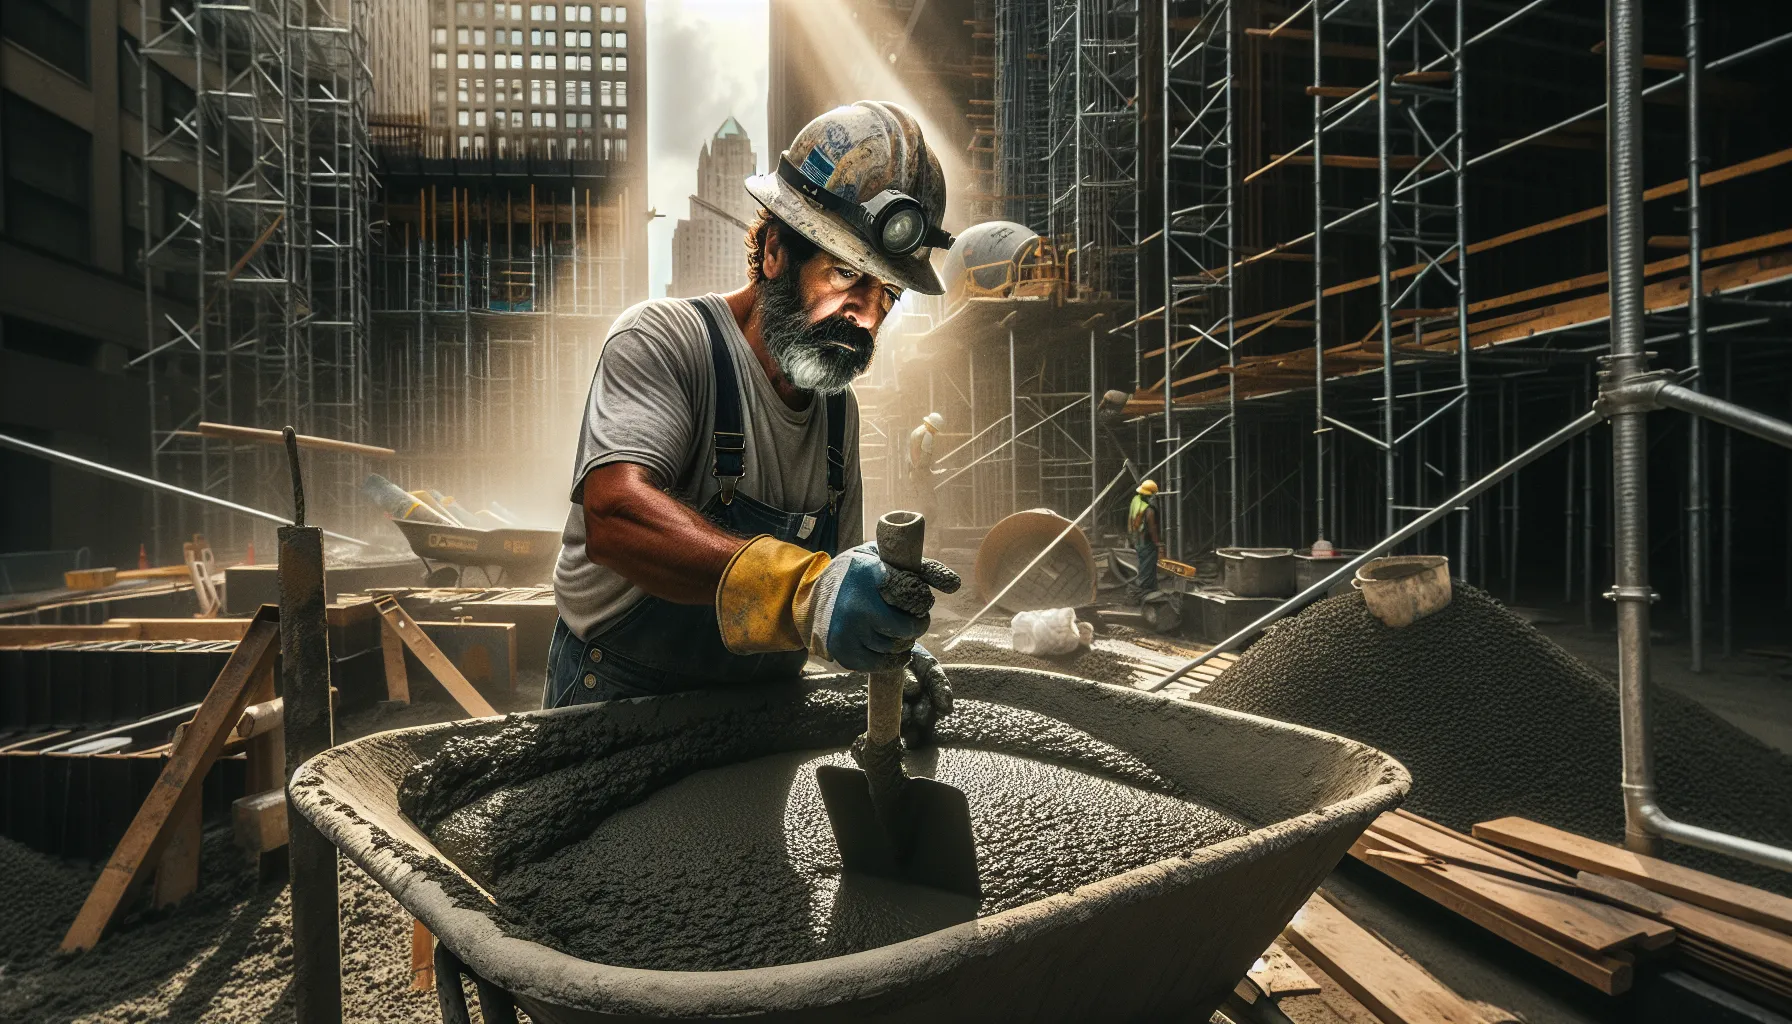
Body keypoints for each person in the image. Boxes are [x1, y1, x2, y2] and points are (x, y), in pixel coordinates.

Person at [548, 101, 959, 741]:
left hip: (756, 717)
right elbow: (613, 518)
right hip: (618, 707)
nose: (867, 316)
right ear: (773, 251)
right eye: (846, 274)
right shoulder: (665, 340)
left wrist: (877, 645)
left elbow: (835, 583)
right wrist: (802, 590)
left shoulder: (836, 415)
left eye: (888, 294)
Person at [907, 411, 944, 522]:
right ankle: (928, 525)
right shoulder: (927, 435)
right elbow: (925, 458)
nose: (936, 432)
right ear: (934, 426)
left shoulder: (917, 431)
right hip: (920, 473)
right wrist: (931, 472)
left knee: (918, 499)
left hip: (913, 470)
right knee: (930, 503)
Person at [1128, 479, 1160, 597]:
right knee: (1148, 567)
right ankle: (1143, 592)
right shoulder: (1149, 509)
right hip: (1147, 541)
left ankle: (1149, 588)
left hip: (1138, 539)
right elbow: (1152, 528)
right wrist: (1157, 543)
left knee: (1143, 565)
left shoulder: (1135, 501)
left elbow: (1131, 518)